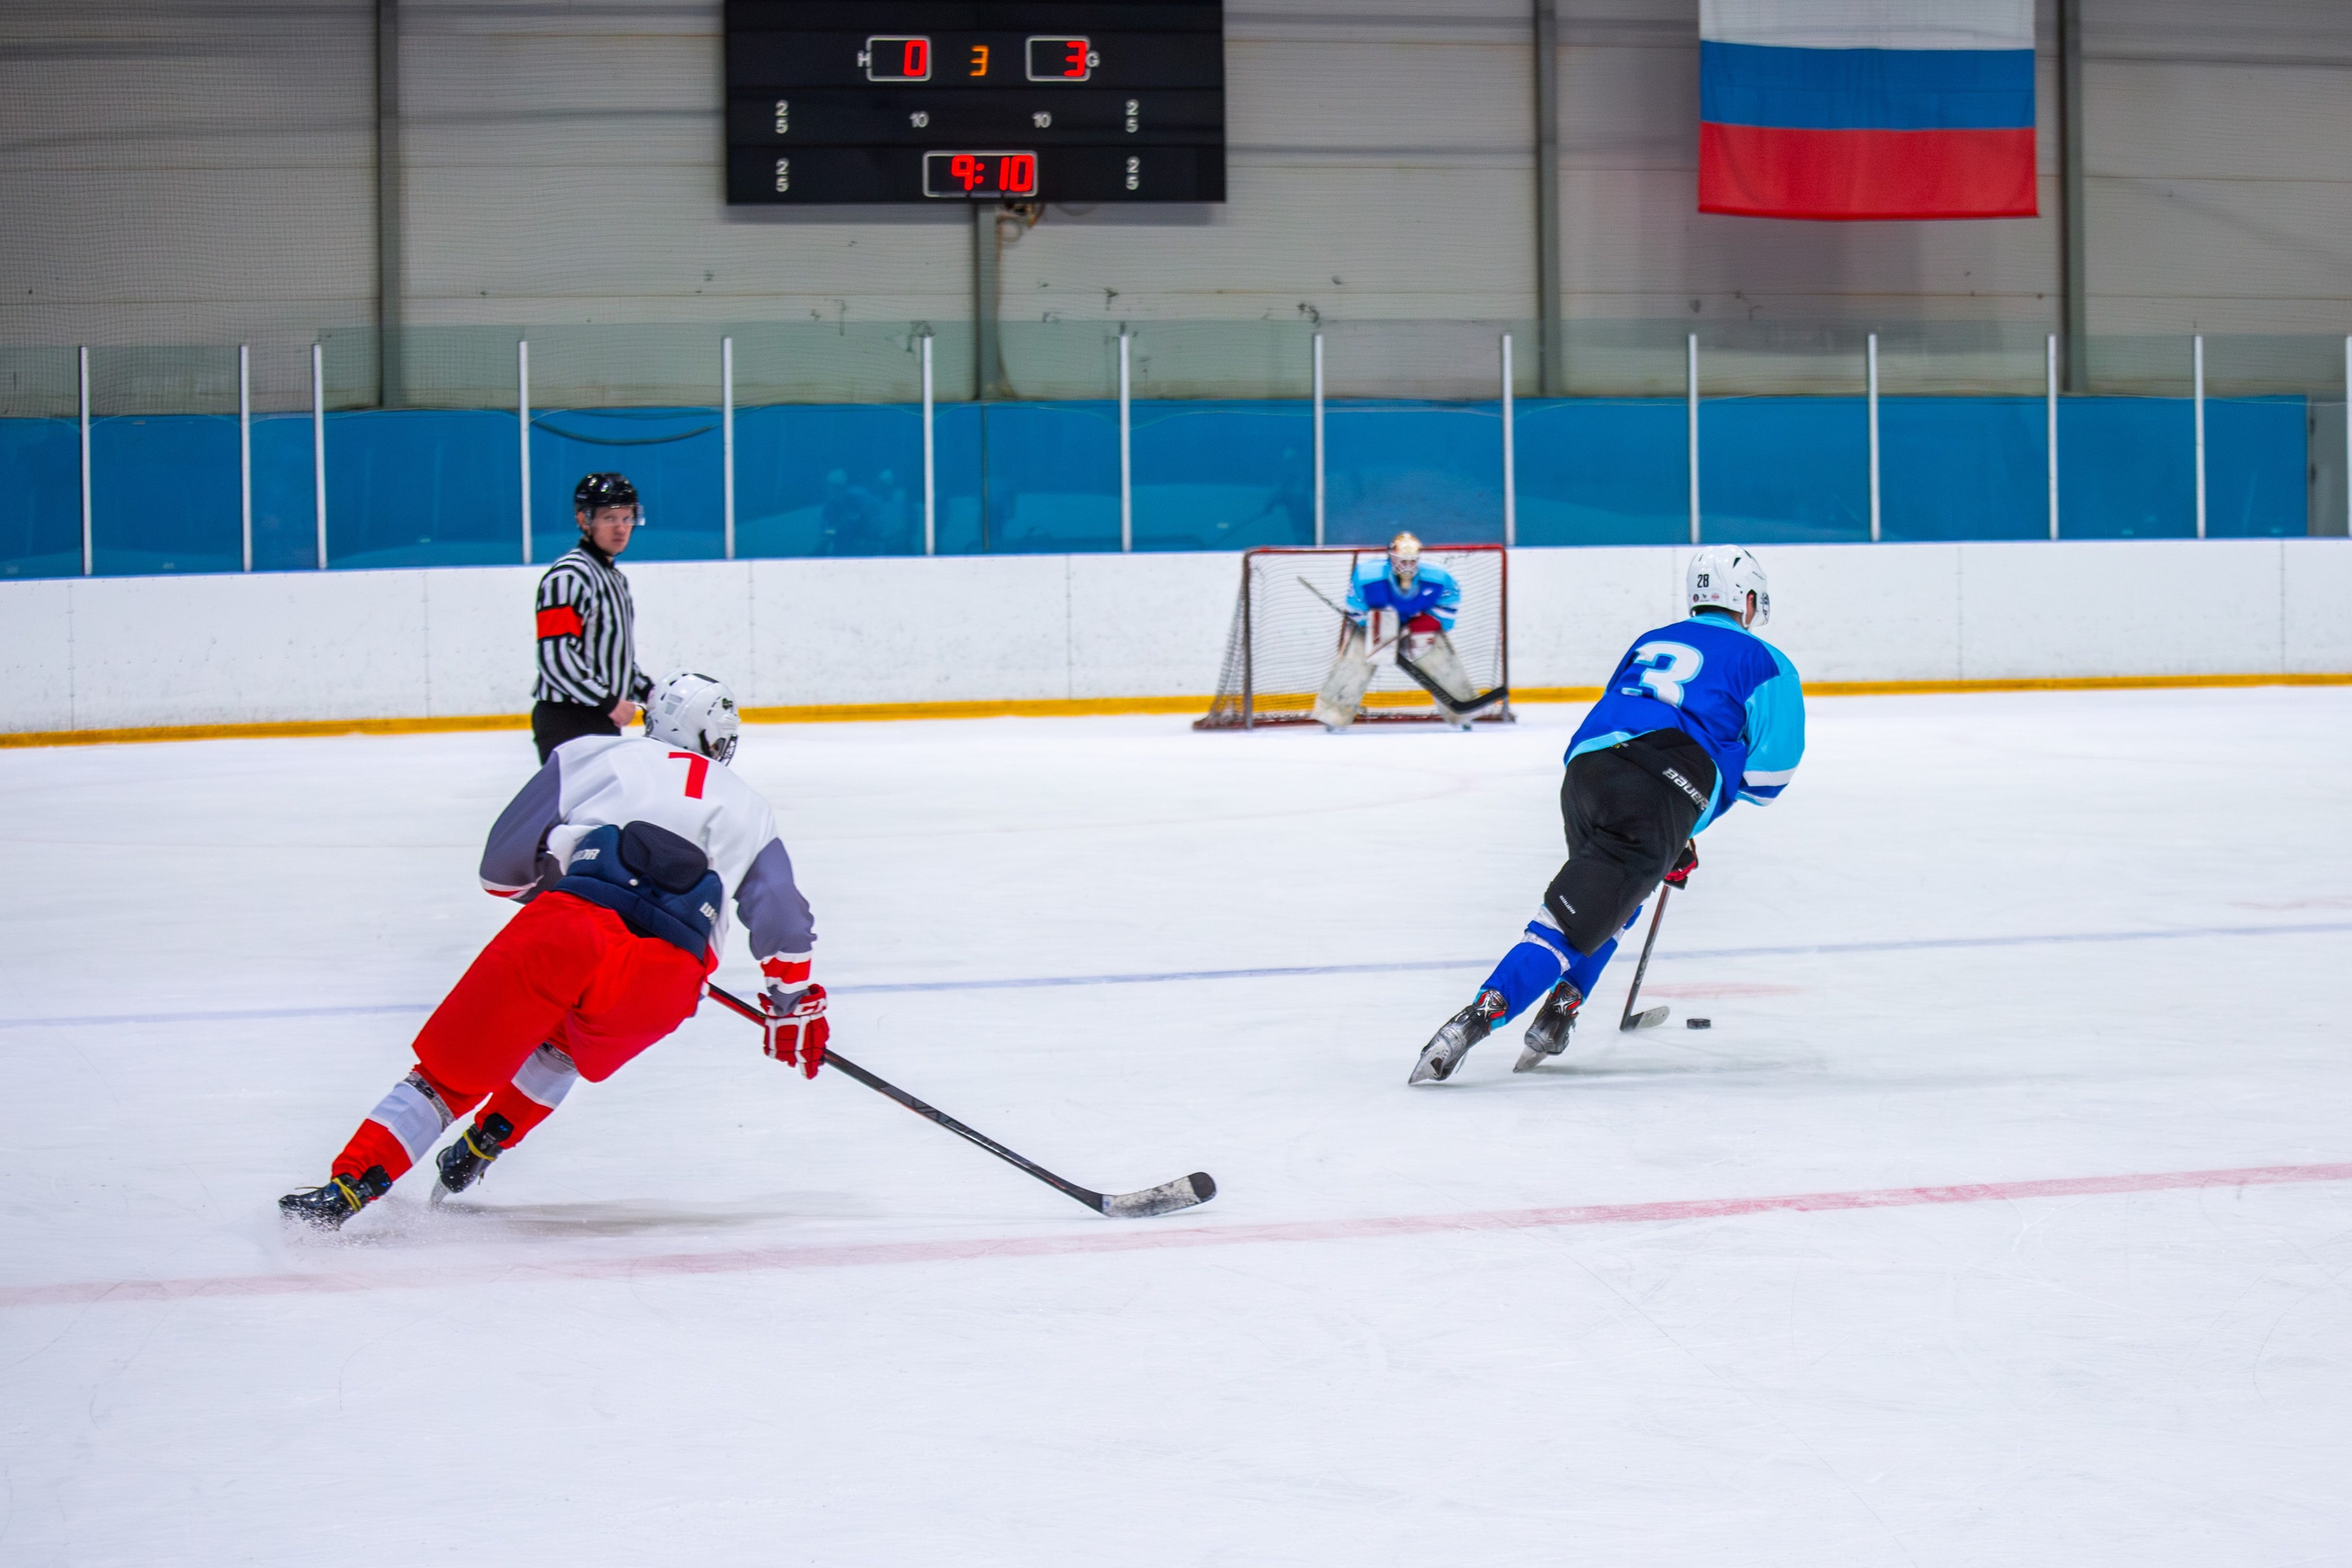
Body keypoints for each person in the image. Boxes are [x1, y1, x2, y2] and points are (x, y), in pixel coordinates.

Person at [279, 671, 824, 1229]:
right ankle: (486, 1143)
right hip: (668, 976)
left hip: (567, 929)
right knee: (562, 1048)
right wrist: (791, 1002)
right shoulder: (752, 809)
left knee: (449, 1075)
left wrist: (567, 895)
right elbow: (781, 914)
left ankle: (348, 1186)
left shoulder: (590, 755)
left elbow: (500, 870)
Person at [1408, 545, 1805, 1084]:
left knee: (1614, 896)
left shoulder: (1652, 640)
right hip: (1660, 782)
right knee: (1572, 924)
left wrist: (1677, 829)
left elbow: (1623, 711)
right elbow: (1768, 779)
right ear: (1749, 599)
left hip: (1587, 770)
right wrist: (1687, 807)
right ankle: (1475, 1019)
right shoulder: (1766, 661)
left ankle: (1559, 1014)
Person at [532, 472, 655, 764]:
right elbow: (555, 657)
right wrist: (609, 702)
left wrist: (649, 691)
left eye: (627, 518)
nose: (621, 528)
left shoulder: (615, 580)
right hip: (569, 722)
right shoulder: (569, 576)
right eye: (610, 518)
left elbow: (612, 657)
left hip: (599, 721)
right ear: (584, 520)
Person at [1313, 532, 1469, 730]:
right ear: (1390, 557)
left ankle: (1462, 714)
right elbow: (1354, 608)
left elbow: (1450, 601)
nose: (1406, 566)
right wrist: (1373, 626)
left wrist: (1429, 621)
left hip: (1417, 625)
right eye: (1401, 560)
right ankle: (1333, 714)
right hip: (1378, 625)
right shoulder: (1367, 576)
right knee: (1355, 659)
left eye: (1411, 560)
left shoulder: (1438, 578)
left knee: (1440, 658)